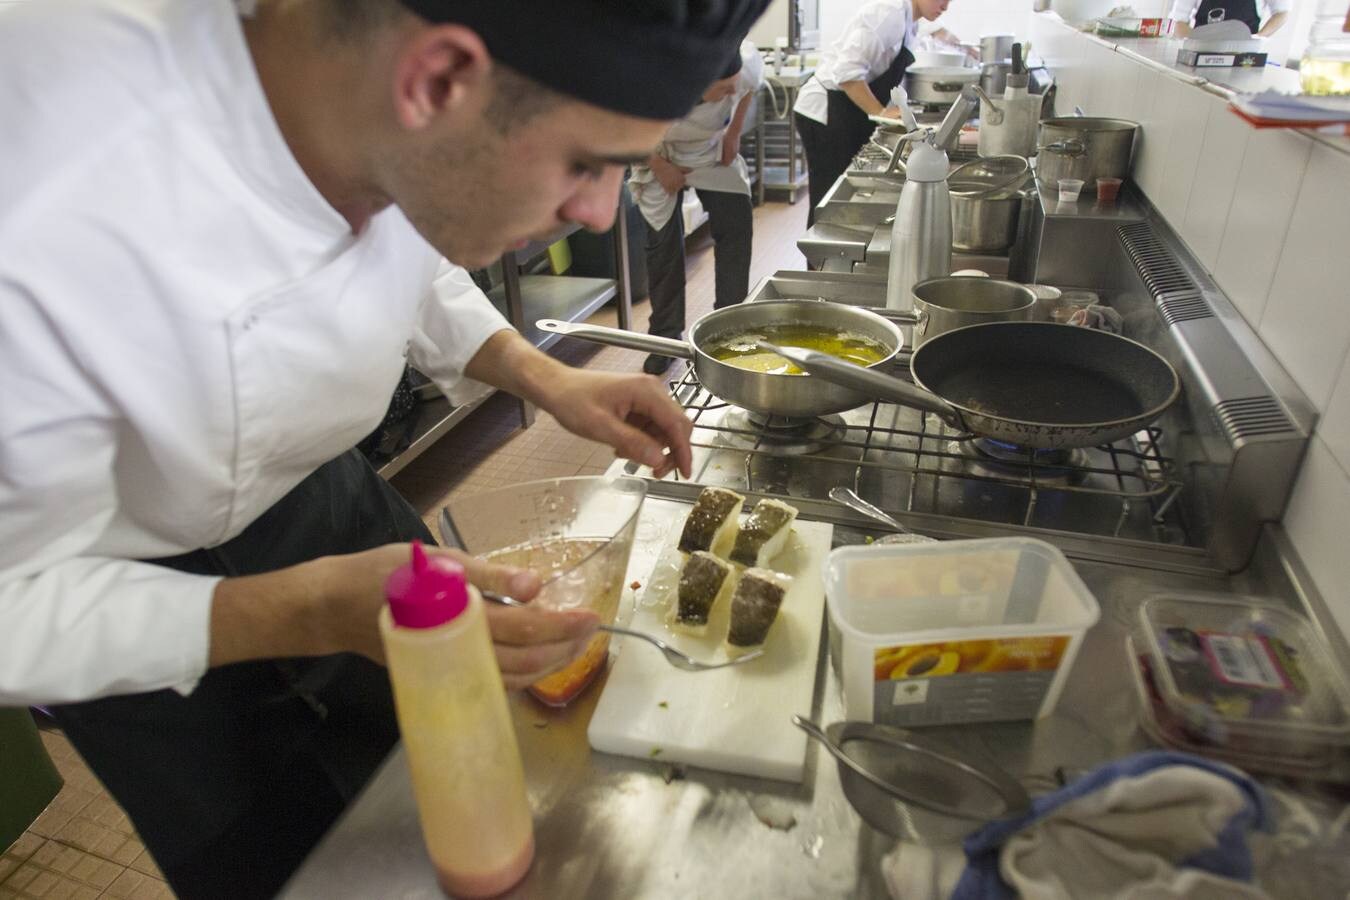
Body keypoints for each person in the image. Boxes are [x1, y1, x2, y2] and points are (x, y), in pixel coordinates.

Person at [0, 0, 766, 897]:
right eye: (586, 163)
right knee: (279, 865)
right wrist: (302, 610)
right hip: (119, 601)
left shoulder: (371, 105)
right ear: (437, 78)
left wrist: (547, 377)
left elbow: (418, 228)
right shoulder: (40, 210)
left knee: (470, 767)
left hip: (326, 499)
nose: (599, 212)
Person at [629, 40, 765, 375]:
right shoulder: (652, 79)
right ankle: (664, 337)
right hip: (657, 149)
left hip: (710, 148)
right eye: (722, 90)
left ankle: (727, 329)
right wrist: (660, 167)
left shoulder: (743, 63)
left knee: (736, 224)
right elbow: (627, 127)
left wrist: (733, 133)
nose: (729, 93)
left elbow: (748, 89)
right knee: (662, 248)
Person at [794, 0, 953, 228]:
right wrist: (880, 112)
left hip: (847, 110)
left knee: (840, 196)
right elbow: (846, 73)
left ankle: (835, 252)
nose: (945, 6)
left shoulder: (911, 23)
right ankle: (818, 261)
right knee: (827, 198)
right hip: (825, 110)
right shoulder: (889, 15)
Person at [1169, 0, 1290, 37]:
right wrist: (1192, 43)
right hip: (1200, 56)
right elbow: (1178, 20)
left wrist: (1259, 37)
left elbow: (1282, 13)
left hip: (1243, 60)